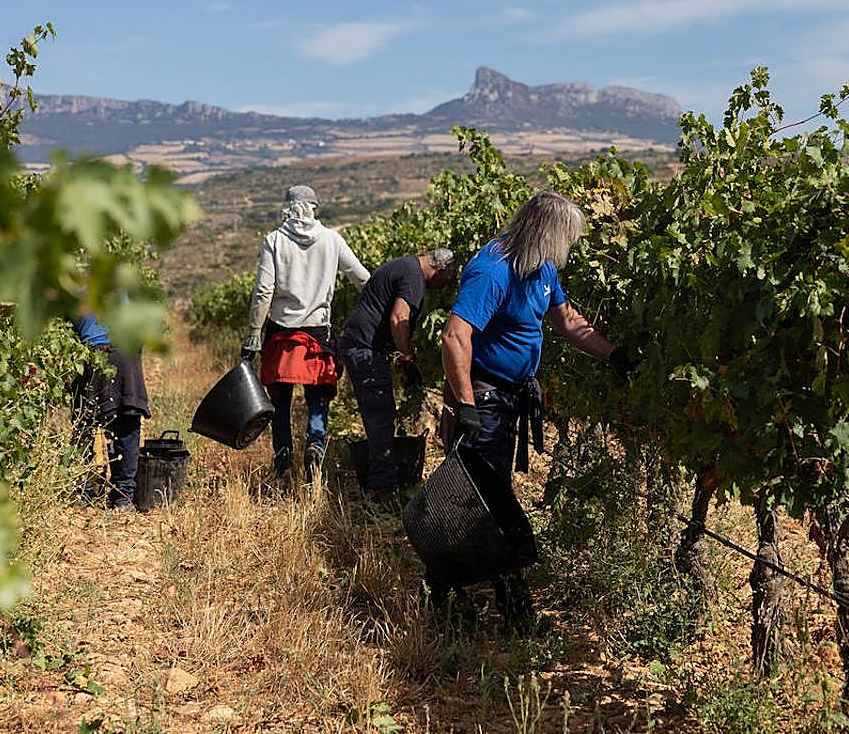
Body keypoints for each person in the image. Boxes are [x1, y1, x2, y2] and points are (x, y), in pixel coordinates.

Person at [437, 190, 635, 632]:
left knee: (489, 496)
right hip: (485, 398)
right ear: (546, 233)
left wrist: (614, 355)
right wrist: (466, 406)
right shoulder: (492, 270)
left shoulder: (541, 267)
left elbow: (566, 320)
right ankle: (494, 606)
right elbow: (455, 337)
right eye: (566, 238)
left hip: (511, 397)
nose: (567, 249)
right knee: (482, 499)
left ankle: (467, 596)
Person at [243, 184, 370, 481]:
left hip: (281, 333)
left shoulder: (274, 241)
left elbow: (263, 291)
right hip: (317, 333)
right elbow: (363, 278)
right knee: (318, 395)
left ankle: (283, 459)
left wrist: (254, 334)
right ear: (314, 208)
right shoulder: (332, 240)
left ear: (287, 209)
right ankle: (315, 443)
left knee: (280, 401)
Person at [338, 249, 457, 497]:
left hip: (360, 345)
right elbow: (398, 318)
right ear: (441, 270)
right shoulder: (414, 276)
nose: (442, 287)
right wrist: (407, 359)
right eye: (446, 280)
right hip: (365, 349)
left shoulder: (406, 267)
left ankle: (381, 478)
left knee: (378, 413)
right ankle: (382, 486)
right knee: (380, 414)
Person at [70, 313, 150, 511]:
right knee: (126, 423)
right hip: (127, 353)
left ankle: (85, 491)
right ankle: (122, 497)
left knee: (84, 423)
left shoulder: (71, 293)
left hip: (93, 354)